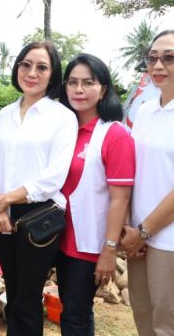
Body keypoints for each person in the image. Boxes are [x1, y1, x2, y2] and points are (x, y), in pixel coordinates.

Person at [0, 41, 77, 336]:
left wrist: (5, 200)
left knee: (27, 298)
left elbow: (54, 177)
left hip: (39, 214)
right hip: (3, 212)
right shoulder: (4, 116)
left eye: (42, 67)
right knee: (12, 294)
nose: (32, 73)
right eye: (26, 64)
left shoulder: (62, 117)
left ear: (53, 75)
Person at [55, 53, 134, 336]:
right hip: (57, 238)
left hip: (88, 243)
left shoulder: (114, 135)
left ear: (103, 89)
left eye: (88, 83)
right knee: (68, 310)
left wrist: (109, 250)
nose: (79, 90)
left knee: (76, 314)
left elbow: (120, 198)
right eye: (72, 82)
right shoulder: (63, 130)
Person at [121, 30, 174, 336]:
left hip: (167, 240)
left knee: (166, 323)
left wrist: (143, 231)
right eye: (153, 57)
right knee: (142, 314)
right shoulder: (145, 110)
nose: (158, 65)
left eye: (169, 57)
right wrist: (130, 228)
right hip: (138, 237)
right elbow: (134, 171)